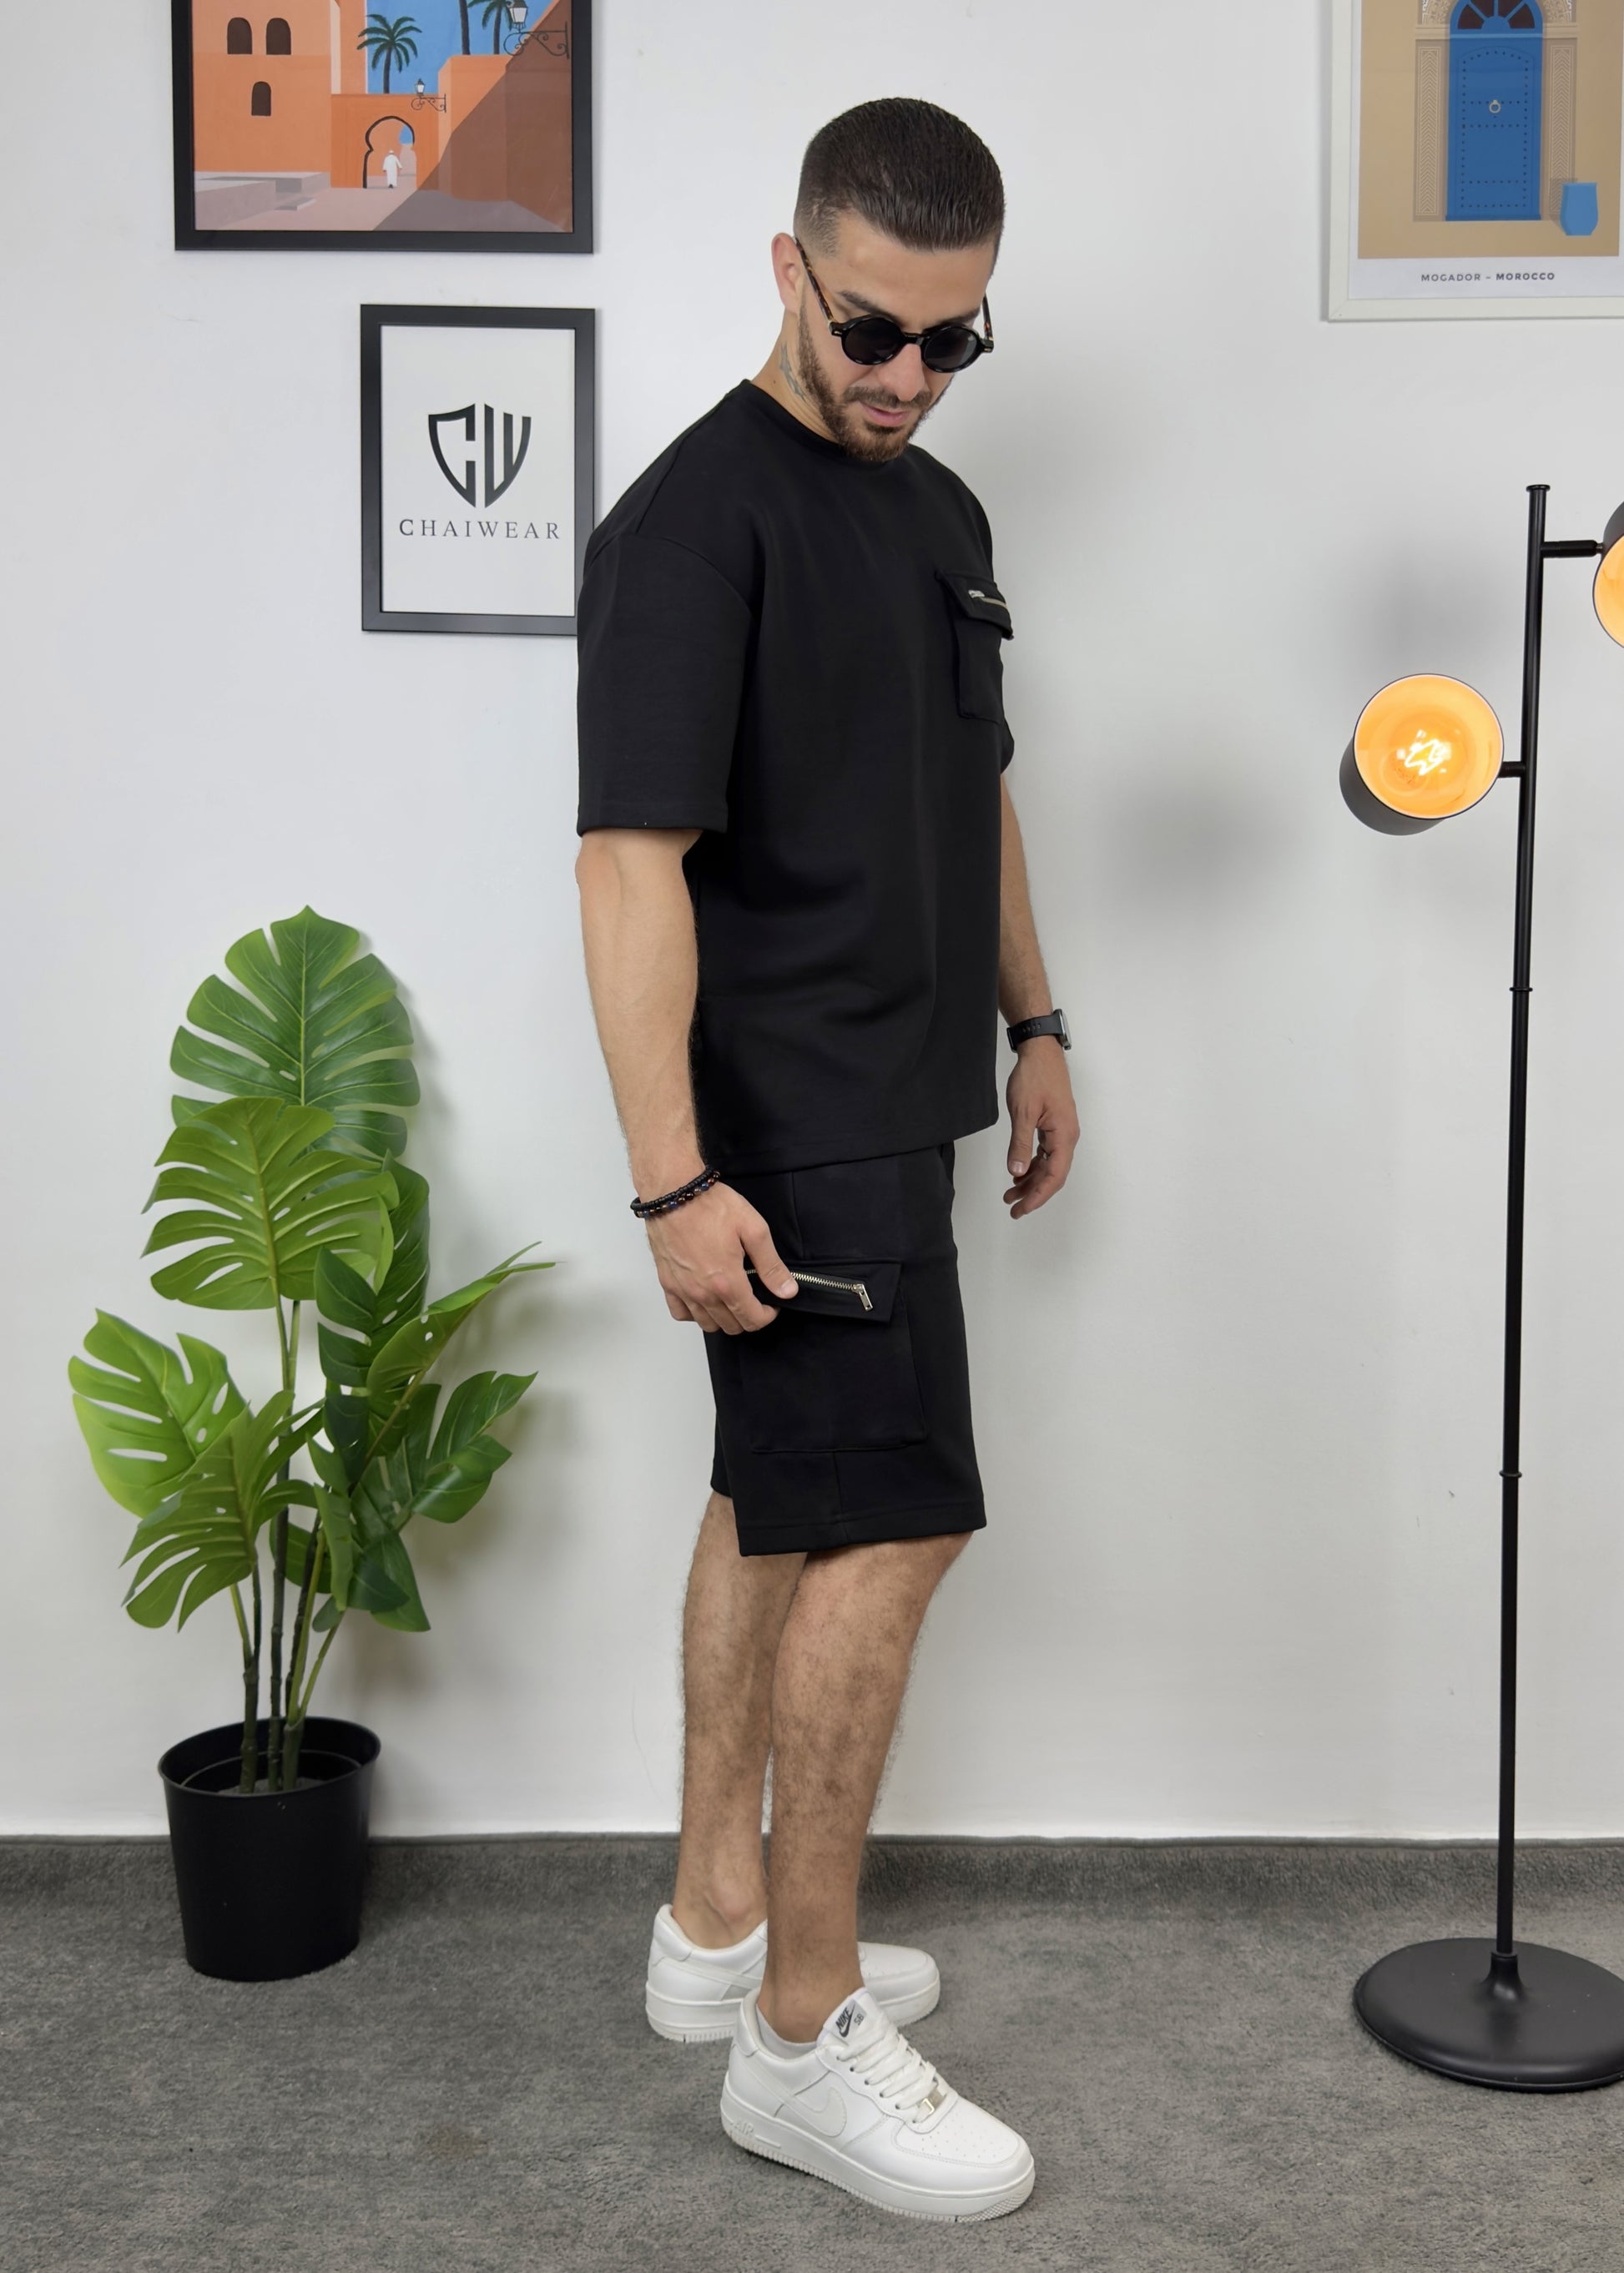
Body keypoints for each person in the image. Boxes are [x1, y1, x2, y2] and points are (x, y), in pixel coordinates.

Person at [575, 97, 1077, 2224]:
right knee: (893, 1523)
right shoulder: (694, 527)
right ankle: (799, 2034)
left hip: (912, 1092)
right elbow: (627, 863)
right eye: (872, 328)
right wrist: (673, 1182)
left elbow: (976, 789)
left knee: (777, 1504)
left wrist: (1034, 1021)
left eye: (954, 339)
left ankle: (718, 1924)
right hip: (791, 1130)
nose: (907, 375)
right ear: (789, 269)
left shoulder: (939, 505)